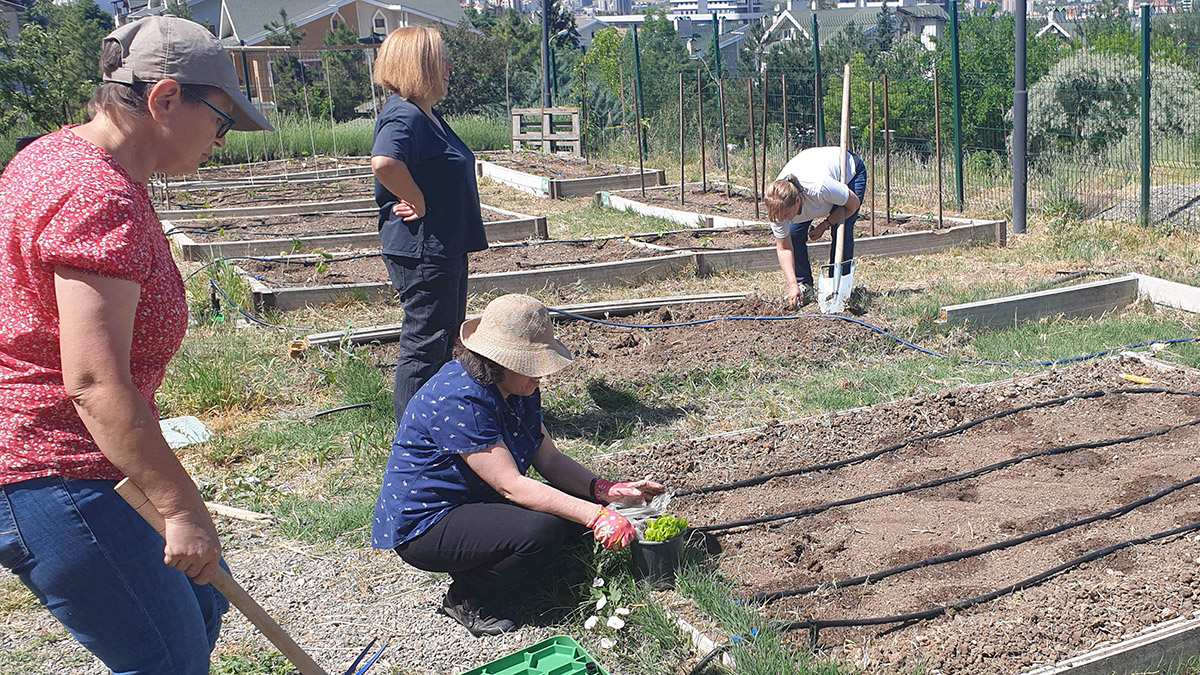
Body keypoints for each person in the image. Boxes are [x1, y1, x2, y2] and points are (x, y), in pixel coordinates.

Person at [0, 16, 272, 674]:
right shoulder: (99, 196)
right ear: (165, 99)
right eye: (221, 118)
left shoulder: (52, 156)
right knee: (166, 658)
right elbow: (93, 381)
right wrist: (181, 507)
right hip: (53, 464)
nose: (222, 137)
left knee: (203, 606)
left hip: (84, 456)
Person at [371, 294, 665, 637]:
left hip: (473, 499)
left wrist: (603, 491)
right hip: (429, 520)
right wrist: (597, 515)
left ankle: (527, 574)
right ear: (499, 360)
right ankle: (467, 595)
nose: (539, 377)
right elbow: (511, 485)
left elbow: (549, 457)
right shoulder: (458, 398)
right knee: (540, 532)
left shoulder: (518, 387)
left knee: (574, 519)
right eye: (532, 365)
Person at [371, 26, 488, 424]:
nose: (449, 66)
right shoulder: (403, 113)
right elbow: (385, 162)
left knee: (443, 339)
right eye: (441, 58)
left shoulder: (426, 114)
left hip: (444, 245)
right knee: (425, 344)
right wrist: (417, 199)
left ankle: (435, 421)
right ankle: (412, 435)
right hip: (423, 248)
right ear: (417, 64)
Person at [764, 146, 868, 307]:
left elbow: (853, 205)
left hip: (847, 172)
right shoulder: (776, 206)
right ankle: (803, 285)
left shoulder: (821, 188)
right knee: (794, 234)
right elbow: (784, 248)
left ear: (797, 201)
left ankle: (839, 285)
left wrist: (825, 225)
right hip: (810, 164)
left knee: (842, 229)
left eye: (786, 215)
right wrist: (792, 285)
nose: (783, 219)